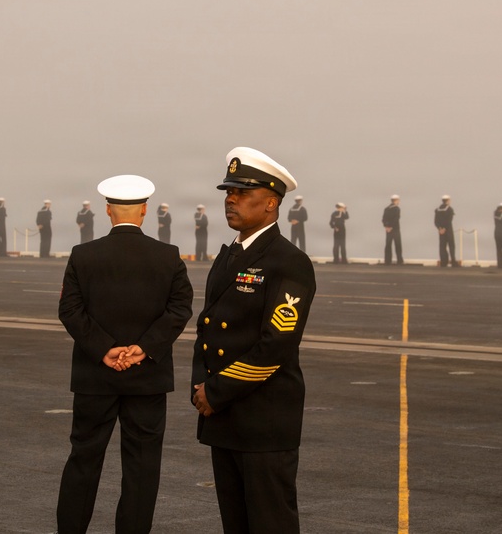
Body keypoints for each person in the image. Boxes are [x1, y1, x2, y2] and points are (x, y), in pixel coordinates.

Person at [56, 174, 193, 534]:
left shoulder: (82, 256)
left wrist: (104, 350)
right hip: (147, 377)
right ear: (145, 210)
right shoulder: (169, 256)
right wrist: (143, 349)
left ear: (107, 210)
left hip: (94, 377)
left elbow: (70, 311)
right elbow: (180, 309)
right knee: (142, 466)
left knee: (83, 460)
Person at [192, 146, 316, 534]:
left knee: (269, 524)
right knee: (237, 525)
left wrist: (215, 391)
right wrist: (202, 387)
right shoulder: (229, 256)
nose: (231, 200)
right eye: (229, 192)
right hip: (224, 417)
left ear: (271, 203)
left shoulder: (288, 261)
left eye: (242, 193)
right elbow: (208, 328)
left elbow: (275, 346)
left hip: (263, 420)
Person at [434, 195, 458, 267]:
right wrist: (444, 228)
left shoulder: (437, 209)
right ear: (448, 200)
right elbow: (449, 220)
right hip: (448, 230)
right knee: (451, 245)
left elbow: (435, 221)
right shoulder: (449, 209)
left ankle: (443, 262)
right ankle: (453, 261)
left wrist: (440, 228)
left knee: (442, 246)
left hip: (441, 231)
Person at [382, 194, 403, 265]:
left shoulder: (387, 208)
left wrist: (386, 227)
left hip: (388, 230)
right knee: (398, 245)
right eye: (398, 200)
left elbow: (384, 219)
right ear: (396, 200)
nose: (399, 201)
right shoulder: (397, 209)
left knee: (388, 245)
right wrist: (391, 227)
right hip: (395, 229)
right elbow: (396, 219)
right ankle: (399, 261)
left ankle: (387, 261)